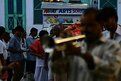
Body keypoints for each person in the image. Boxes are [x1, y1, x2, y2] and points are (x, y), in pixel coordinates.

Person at [80, 13, 121, 81]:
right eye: (82, 25)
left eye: (90, 25)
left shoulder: (111, 43)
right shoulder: (104, 35)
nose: (105, 24)